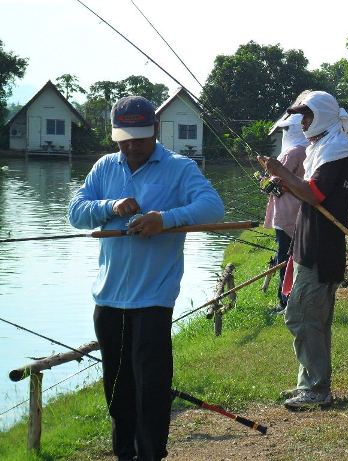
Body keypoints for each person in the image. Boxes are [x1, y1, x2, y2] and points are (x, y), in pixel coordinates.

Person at [68, 96, 224, 461]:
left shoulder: (179, 168)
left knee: (151, 388)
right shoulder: (105, 167)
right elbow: (76, 211)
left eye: (139, 136)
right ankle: (125, 453)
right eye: (124, 137)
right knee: (117, 390)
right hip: (108, 299)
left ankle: (152, 454)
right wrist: (110, 206)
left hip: (153, 299)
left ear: (155, 130)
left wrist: (164, 219)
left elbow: (213, 208)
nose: (132, 145)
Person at [258, 90, 348, 410]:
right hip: (309, 242)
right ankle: (312, 384)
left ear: (323, 114)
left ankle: (316, 389)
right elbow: (309, 195)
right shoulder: (323, 147)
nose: (305, 121)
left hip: (321, 247)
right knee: (313, 319)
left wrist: (282, 172)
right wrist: (281, 179)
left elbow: (313, 195)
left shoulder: (337, 149)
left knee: (300, 315)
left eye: (308, 115)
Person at [264, 114, 308, 314]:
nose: (284, 134)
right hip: (299, 210)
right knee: (295, 258)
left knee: (285, 259)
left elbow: (273, 183)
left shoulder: (293, 152)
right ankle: (293, 300)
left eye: (286, 130)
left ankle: (286, 303)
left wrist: (265, 178)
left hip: (286, 212)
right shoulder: (308, 149)